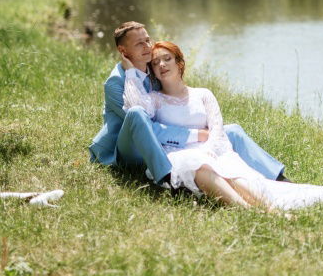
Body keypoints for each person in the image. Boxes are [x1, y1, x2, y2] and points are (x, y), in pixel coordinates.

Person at [123, 40, 323, 211]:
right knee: (199, 164)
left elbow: (217, 129)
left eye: (167, 59)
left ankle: (269, 208)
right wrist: (131, 69)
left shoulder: (203, 94)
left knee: (234, 173)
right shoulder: (154, 99)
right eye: (155, 63)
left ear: (179, 63)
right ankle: (248, 211)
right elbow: (136, 112)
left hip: (212, 150)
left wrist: (210, 152)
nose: (161, 65)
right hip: (179, 155)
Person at [88, 21, 286, 187]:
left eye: (147, 40)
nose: (147, 47)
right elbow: (144, 127)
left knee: (231, 131)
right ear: (123, 51)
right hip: (128, 149)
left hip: (162, 142)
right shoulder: (116, 83)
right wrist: (197, 134)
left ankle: (278, 177)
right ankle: (166, 177)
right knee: (138, 113)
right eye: (139, 44)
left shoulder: (153, 69)